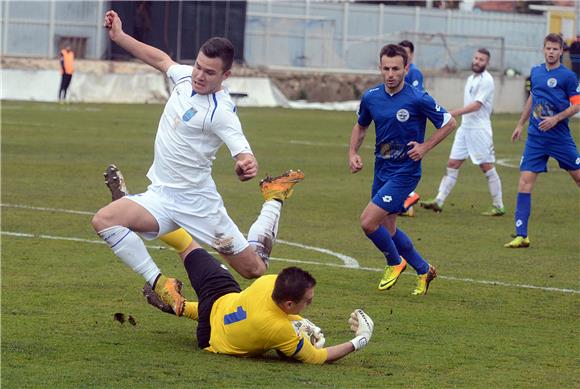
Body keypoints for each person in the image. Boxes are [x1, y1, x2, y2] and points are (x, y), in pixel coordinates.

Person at [92, 10, 304, 304]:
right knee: (105, 220)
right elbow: (160, 59)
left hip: (198, 204)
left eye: (209, 72)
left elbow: (242, 151)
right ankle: (160, 282)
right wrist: (120, 36)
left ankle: (274, 198)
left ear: (225, 75)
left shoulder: (221, 112)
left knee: (253, 268)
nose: (199, 76)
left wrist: (246, 164)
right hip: (161, 195)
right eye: (198, 67)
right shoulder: (184, 78)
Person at [141, 244, 374, 364]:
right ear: (290, 303)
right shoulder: (279, 330)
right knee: (234, 317)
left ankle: (143, 215)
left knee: (187, 245)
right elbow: (317, 357)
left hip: (219, 301)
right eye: (308, 301)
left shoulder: (267, 282)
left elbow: (273, 314)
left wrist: (300, 321)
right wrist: (360, 340)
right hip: (210, 339)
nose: (310, 303)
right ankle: (175, 306)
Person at [348, 44, 456, 295]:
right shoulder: (371, 97)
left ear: (406, 69)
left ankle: (395, 262)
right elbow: (360, 127)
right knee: (389, 229)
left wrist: (425, 146)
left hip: (405, 172)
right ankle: (424, 269)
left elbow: (449, 122)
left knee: (367, 222)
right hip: (382, 168)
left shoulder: (418, 97)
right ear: (380, 68)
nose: (390, 74)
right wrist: (353, 153)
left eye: (396, 68)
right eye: (386, 68)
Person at [505, 33, 580, 248]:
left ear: (561, 51)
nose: (551, 52)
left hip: (559, 138)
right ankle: (521, 234)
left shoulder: (568, 77)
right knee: (524, 182)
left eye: (555, 49)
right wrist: (520, 124)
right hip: (536, 138)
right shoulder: (536, 72)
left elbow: (576, 105)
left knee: (578, 178)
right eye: (548, 48)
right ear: (543, 49)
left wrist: (556, 119)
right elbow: (533, 98)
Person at [420, 48, 505, 216]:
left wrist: (453, 112)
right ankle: (439, 201)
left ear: (487, 63)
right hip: (465, 129)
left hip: (479, 130)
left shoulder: (487, 80)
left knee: (486, 166)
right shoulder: (471, 79)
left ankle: (499, 205)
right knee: (452, 164)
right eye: (475, 58)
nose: (477, 61)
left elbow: (477, 105)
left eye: (481, 59)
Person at [398, 40, 424, 217]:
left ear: (412, 55)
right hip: (398, 124)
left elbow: (416, 98)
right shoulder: (398, 71)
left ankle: (409, 195)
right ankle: (405, 204)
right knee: (398, 160)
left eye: (406, 53)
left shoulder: (414, 73)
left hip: (410, 126)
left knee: (404, 161)